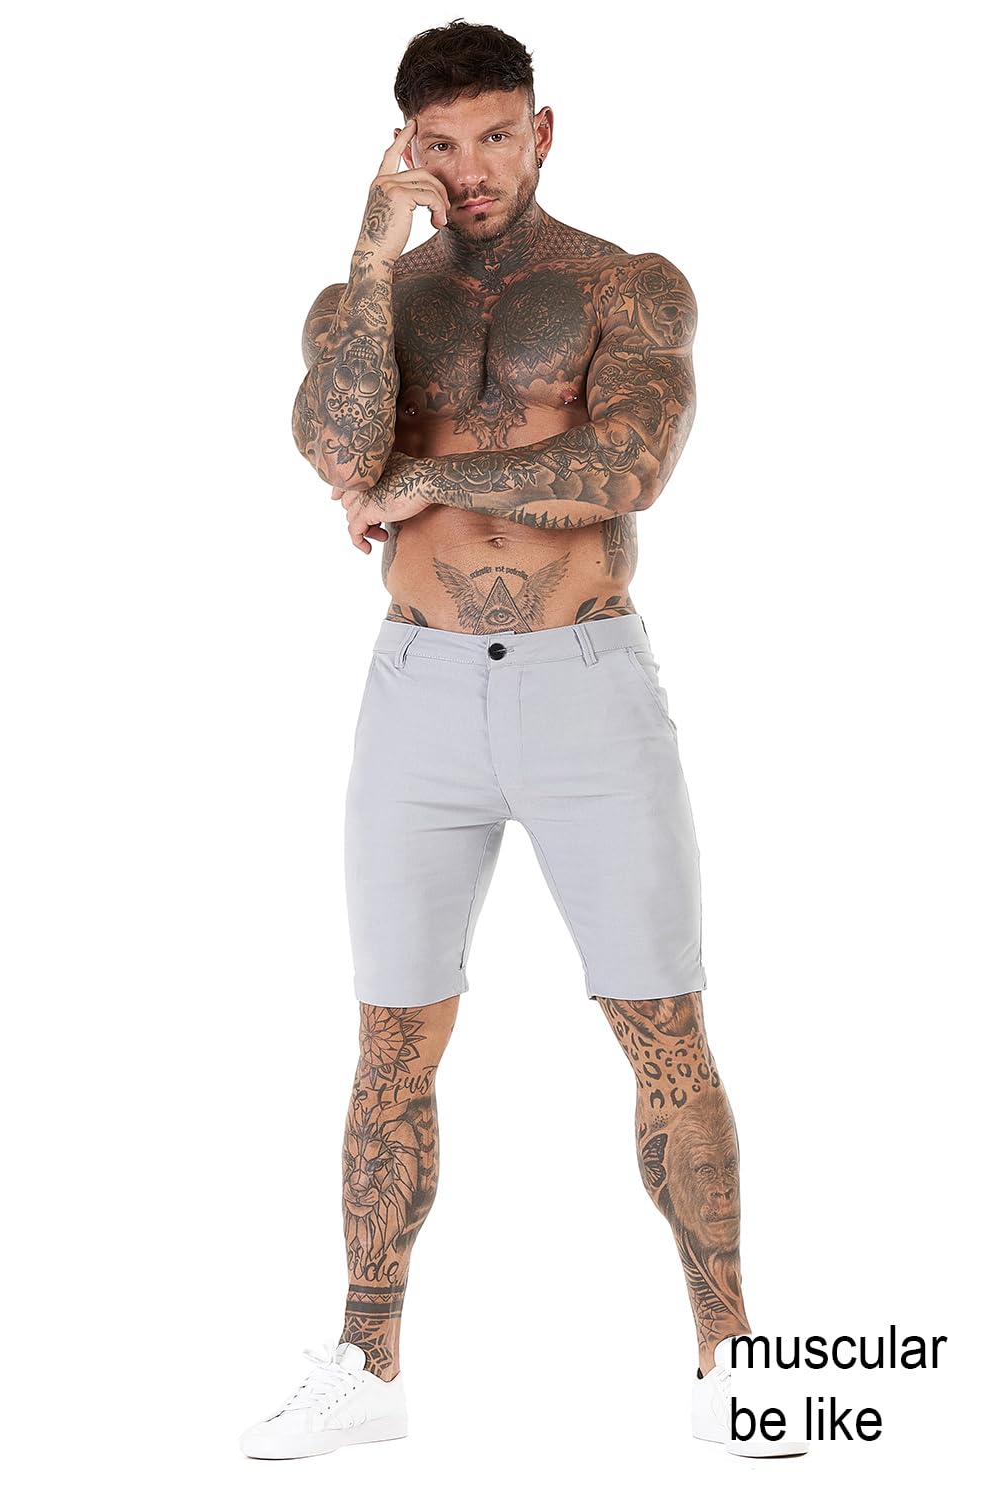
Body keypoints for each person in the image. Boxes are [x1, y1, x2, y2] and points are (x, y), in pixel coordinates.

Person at [240, 19, 805, 1462]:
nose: (472, 167)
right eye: (440, 145)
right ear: (404, 149)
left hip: (584, 682)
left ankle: (735, 1361)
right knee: (391, 1040)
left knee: (663, 1028)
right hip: (418, 685)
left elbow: (630, 465)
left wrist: (425, 476)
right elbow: (335, 450)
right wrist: (375, 248)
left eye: (496, 135)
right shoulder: (361, 302)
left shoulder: (628, 285)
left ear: (541, 131)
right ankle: (367, 1367)